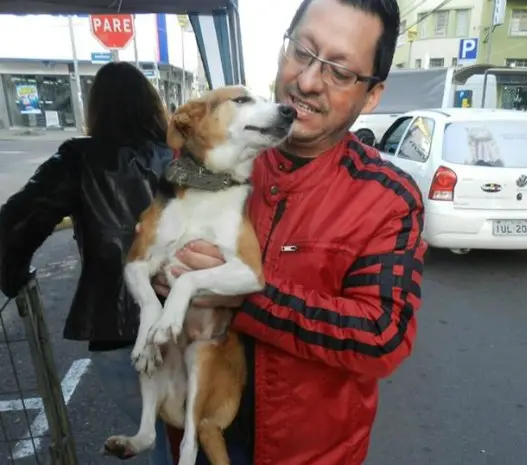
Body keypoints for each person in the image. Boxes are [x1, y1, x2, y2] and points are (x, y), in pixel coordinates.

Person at [158, 0, 426, 464]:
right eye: (302, 51)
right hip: (190, 425)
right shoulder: (215, 161)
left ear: (372, 95)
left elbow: (382, 335)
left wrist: (243, 295)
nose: (306, 82)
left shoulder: (387, 198)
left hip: (307, 453)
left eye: (339, 72)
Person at [0, 61, 174, 465]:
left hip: (114, 326)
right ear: (153, 105)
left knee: (161, 436)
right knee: (181, 435)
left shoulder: (79, 157)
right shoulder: (178, 156)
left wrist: (14, 278)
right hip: (181, 322)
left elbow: (14, 222)